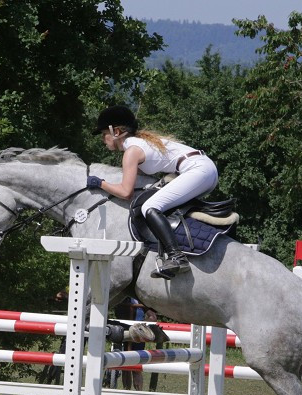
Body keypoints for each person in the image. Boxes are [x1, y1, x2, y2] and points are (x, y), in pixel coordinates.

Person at [87, 105, 219, 279]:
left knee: (150, 206)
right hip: (203, 169)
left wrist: (100, 183)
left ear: (116, 131)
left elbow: (126, 192)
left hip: (198, 170)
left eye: (104, 134)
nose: (103, 139)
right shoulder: (137, 145)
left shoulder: (131, 152)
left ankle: (177, 257)